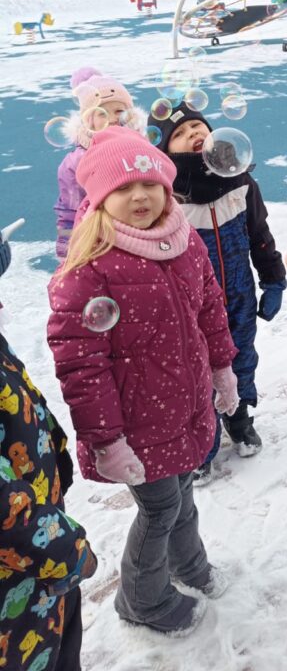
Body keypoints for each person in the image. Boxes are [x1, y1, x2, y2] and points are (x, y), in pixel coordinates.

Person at [47, 128, 239, 636]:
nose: (140, 196)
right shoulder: (89, 268)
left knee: (182, 495)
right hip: (136, 423)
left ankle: (189, 566)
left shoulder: (183, 241)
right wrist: (106, 440)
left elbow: (210, 308)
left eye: (150, 184)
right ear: (99, 197)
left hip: (184, 405)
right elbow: (81, 366)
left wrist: (222, 368)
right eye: (123, 187)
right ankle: (142, 601)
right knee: (160, 509)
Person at [148, 102, 286, 486]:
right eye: (180, 133)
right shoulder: (167, 197)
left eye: (198, 126)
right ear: (164, 150)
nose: (193, 133)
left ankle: (239, 418)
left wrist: (272, 278)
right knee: (197, 373)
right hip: (191, 307)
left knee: (241, 358)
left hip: (239, 295)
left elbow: (259, 235)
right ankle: (203, 443)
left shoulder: (240, 182)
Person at [0, 225, 98, 670]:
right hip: (21, 582)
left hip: (39, 572)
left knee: (60, 647)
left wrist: (55, 455)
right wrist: (68, 551)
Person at [54, 67, 144, 260]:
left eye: (119, 111)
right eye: (102, 113)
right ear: (88, 120)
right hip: (98, 243)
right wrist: (67, 252)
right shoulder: (76, 162)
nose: (112, 118)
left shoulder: (143, 151)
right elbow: (69, 212)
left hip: (141, 237)